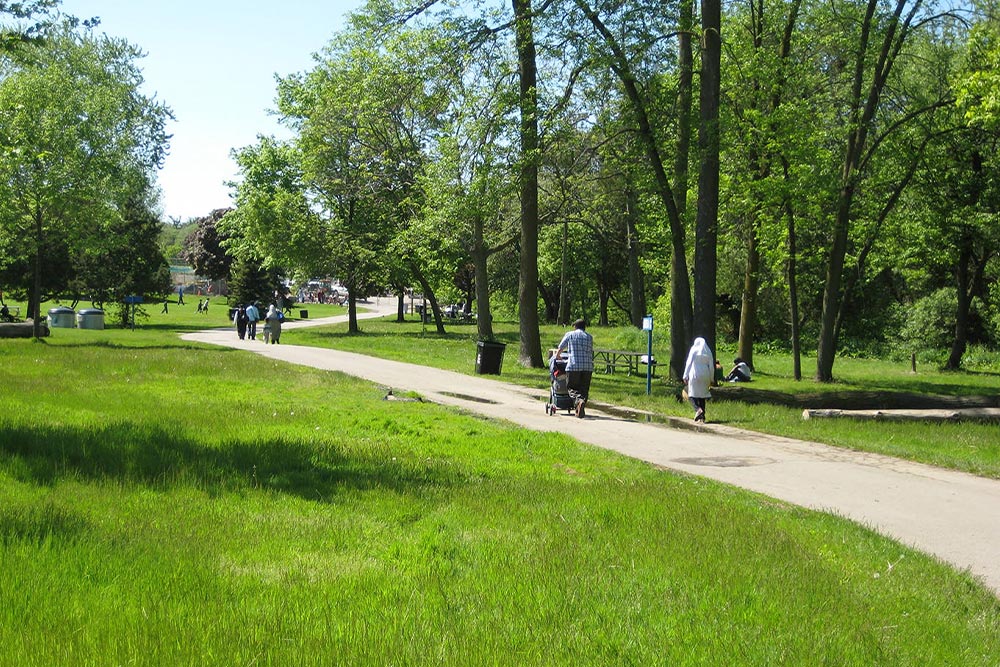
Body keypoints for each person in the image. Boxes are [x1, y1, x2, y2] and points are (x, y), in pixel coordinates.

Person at [555, 318, 594, 418]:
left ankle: (579, 401)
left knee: (572, 388)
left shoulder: (570, 334)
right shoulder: (589, 337)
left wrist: (558, 355)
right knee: (584, 389)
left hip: (574, 366)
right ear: (584, 327)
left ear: (575, 326)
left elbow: (561, 346)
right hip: (587, 367)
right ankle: (580, 408)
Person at [683, 337, 714, 422]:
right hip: (706, 374)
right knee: (702, 396)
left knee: (691, 394)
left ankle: (698, 409)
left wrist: (685, 375)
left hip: (695, 373)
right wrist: (711, 378)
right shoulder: (708, 351)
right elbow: (711, 366)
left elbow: (689, 363)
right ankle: (702, 417)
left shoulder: (694, 350)